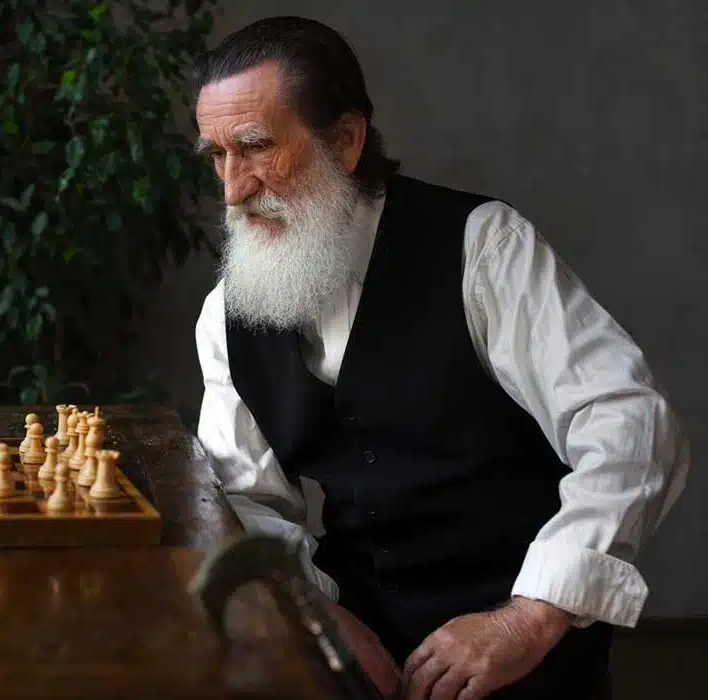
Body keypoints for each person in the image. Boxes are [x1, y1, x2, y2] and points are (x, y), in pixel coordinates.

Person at [191, 15, 689, 700]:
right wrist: (314, 610)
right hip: (352, 636)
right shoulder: (228, 311)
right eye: (216, 155)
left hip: (519, 641)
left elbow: (632, 426)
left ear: (345, 140)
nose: (232, 188)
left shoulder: (483, 249)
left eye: (254, 148)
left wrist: (529, 617)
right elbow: (240, 498)